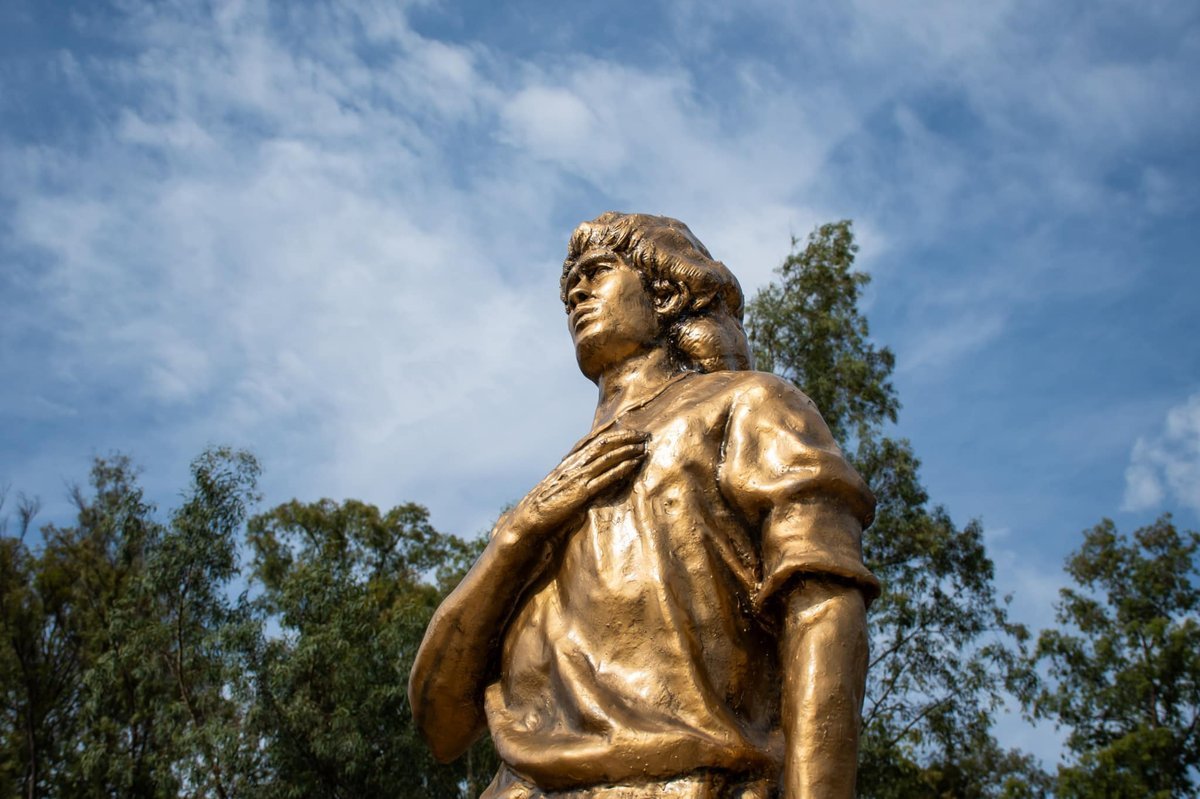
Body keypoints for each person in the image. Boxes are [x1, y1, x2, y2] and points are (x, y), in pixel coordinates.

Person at [409, 213, 879, 798]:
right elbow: (441, 724)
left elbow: (825, 609)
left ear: (667, 293)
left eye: (597, 272)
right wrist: (518, 534)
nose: (576, 293)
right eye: (568, 286)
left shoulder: (748, 406)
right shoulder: (548, 500)